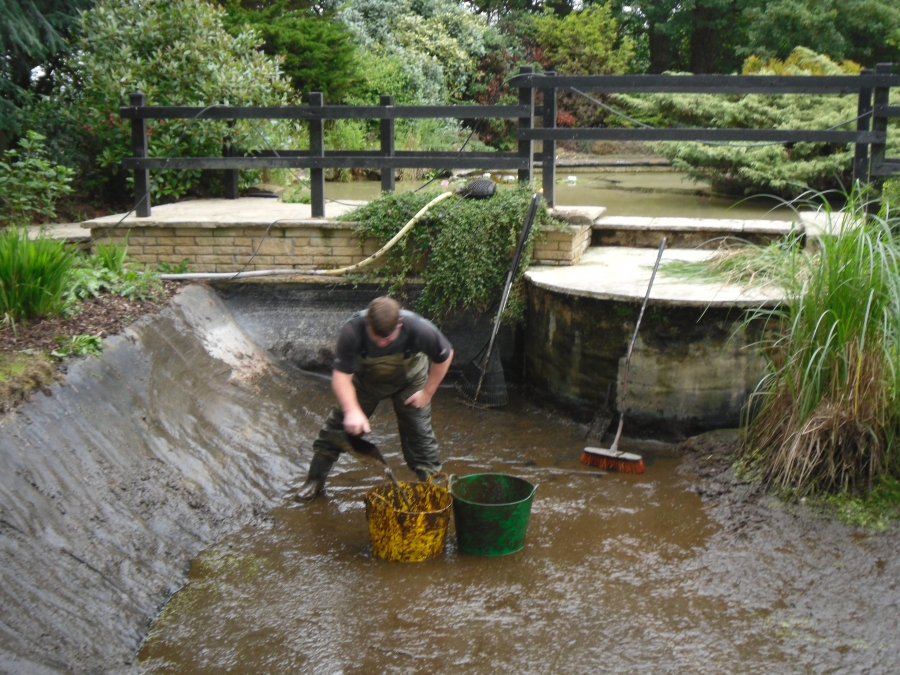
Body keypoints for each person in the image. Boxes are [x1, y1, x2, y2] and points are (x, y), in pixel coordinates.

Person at [296, 296, 454, 501]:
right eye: (376, 337)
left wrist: (427, 393)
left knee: (420, 436)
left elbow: (445, 355)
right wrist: (352, 410)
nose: (381, 342)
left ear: (399, 324)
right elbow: (341, 376)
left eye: (387, 338)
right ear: (368, 324)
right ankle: (314, 480)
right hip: (366, 384)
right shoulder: (353, 330)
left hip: (410, 382)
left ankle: (433, 489)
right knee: (336, 428)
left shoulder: (418, 328)